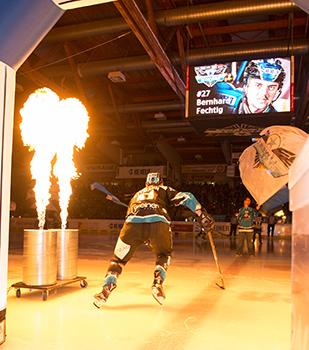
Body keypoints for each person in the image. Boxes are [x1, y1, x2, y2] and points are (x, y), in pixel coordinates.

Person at [93, 172, 214, 308]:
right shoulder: (164, 189)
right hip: (158, 223)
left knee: (118, 260)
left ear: (146, 183)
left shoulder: (137, 193)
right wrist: (201, 214)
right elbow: (187, 197)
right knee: (163, 255)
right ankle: (157, 283)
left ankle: (106, 289)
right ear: (160, 182)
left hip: (132, 225)